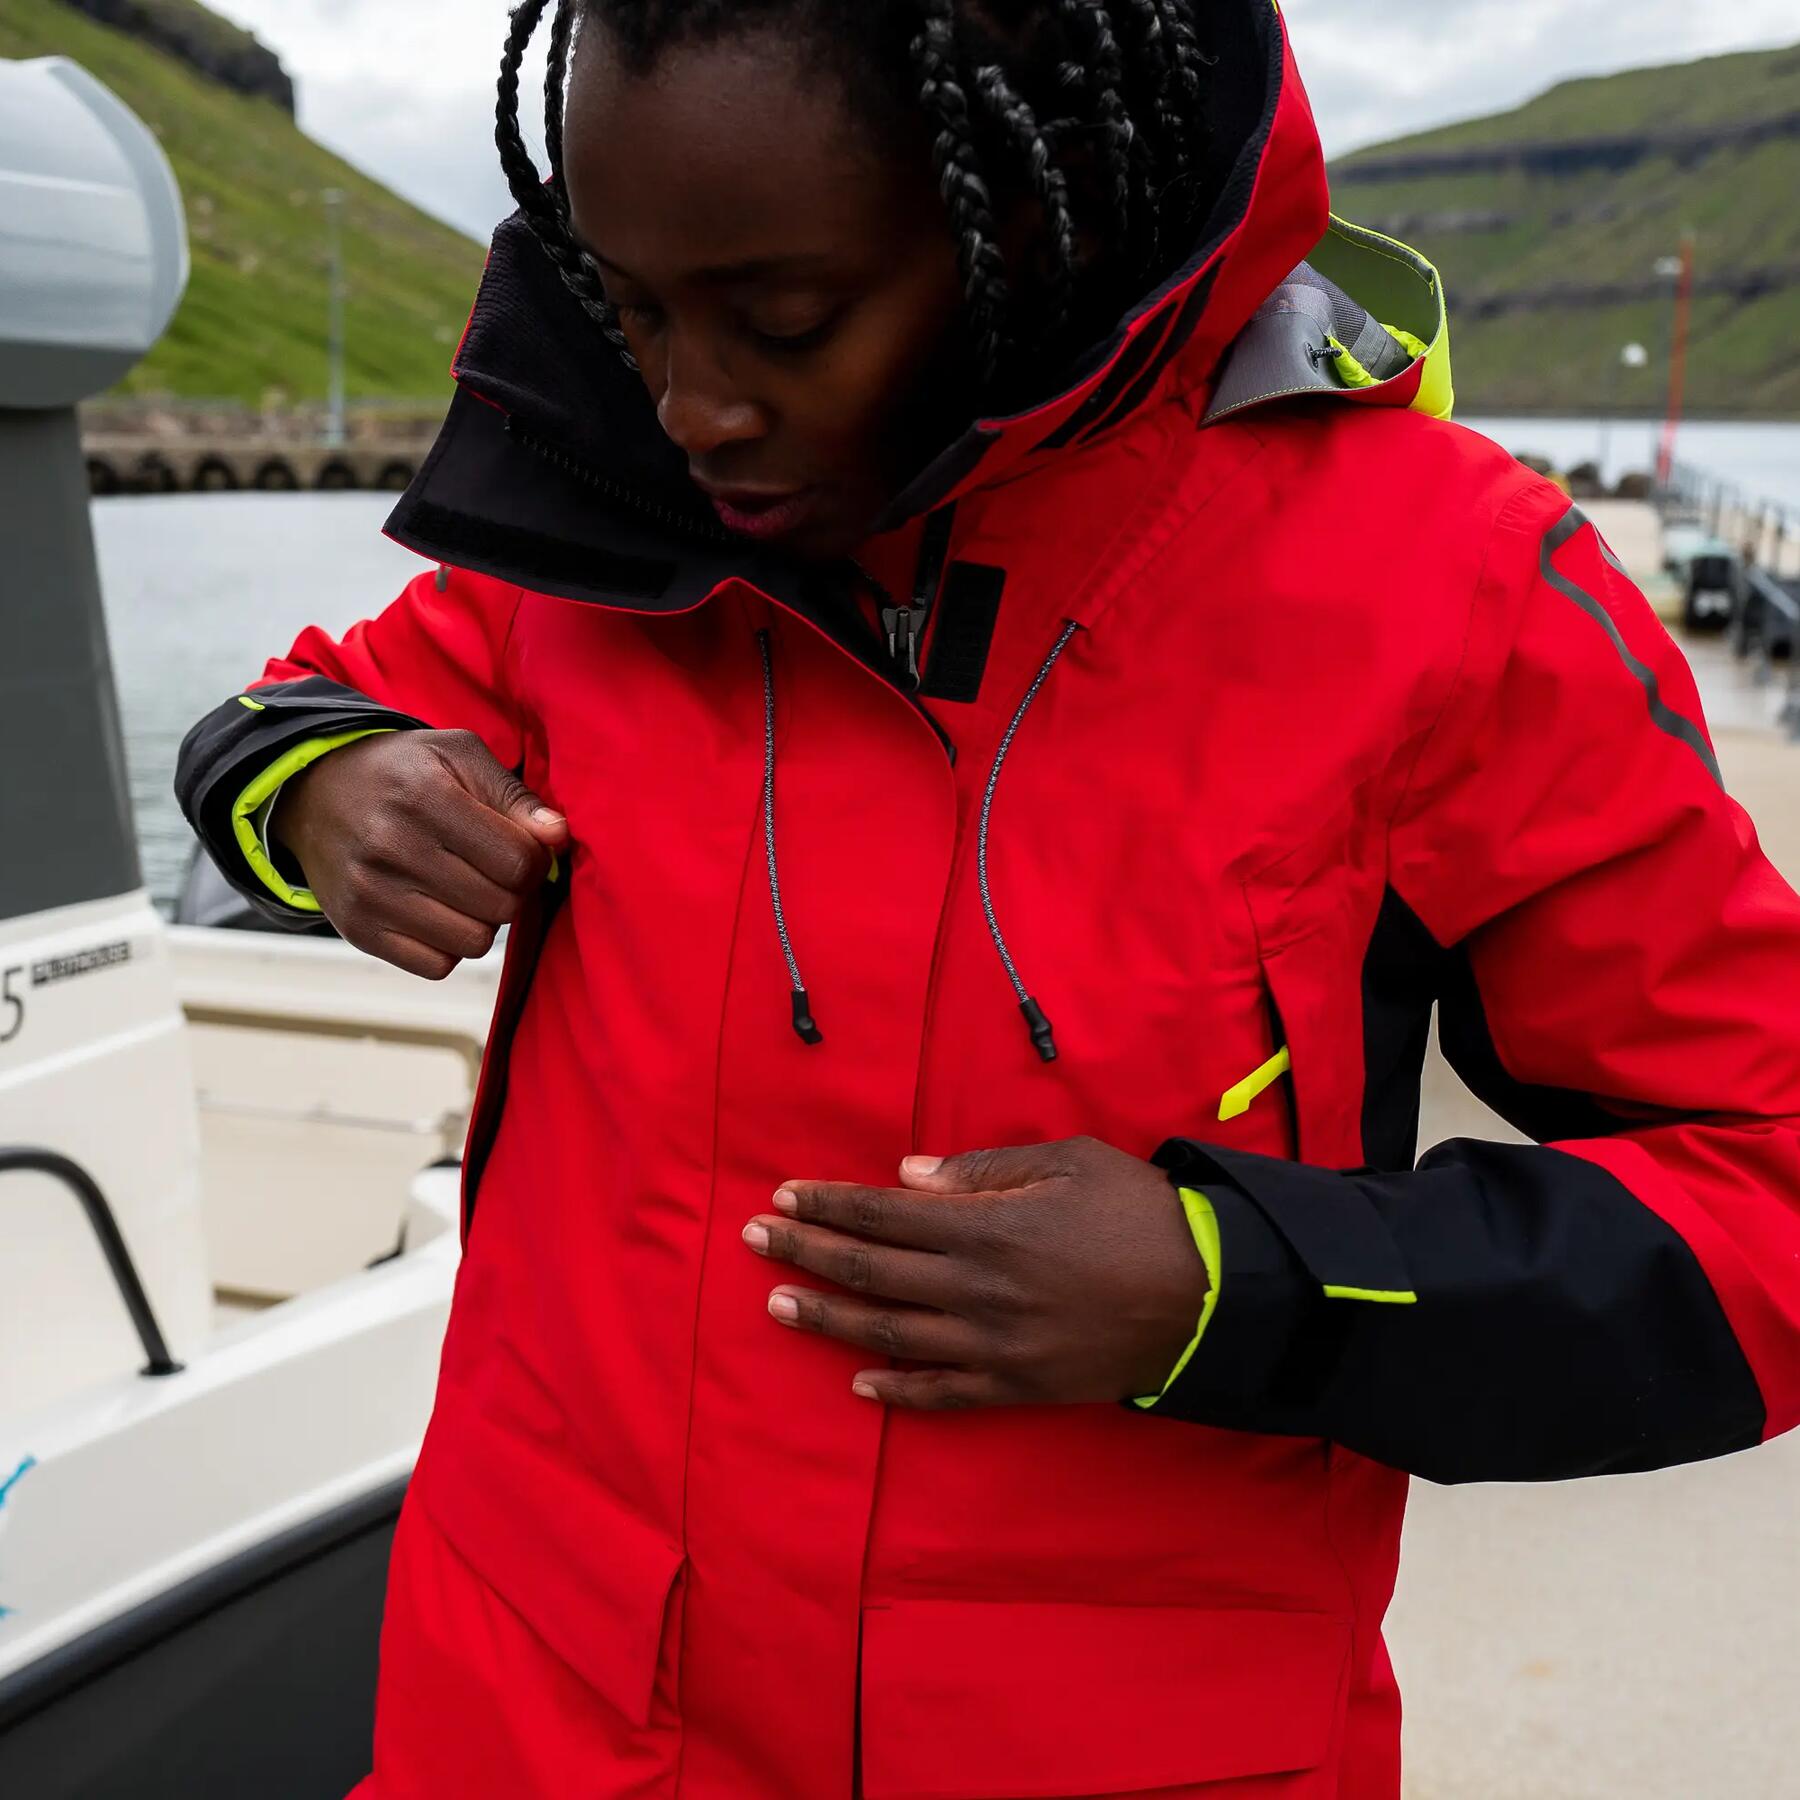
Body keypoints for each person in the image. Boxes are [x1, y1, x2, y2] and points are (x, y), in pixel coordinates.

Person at [175, 2, 1800, 1794]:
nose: (688, 405)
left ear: (1043, 220)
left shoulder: (1457, 595)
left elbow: (1768, 1194)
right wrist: (319, 790)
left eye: (784, 323)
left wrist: (1227, 1285)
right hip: (528, 1719)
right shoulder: (587, 526)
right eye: (628, 306)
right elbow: (291, 710)